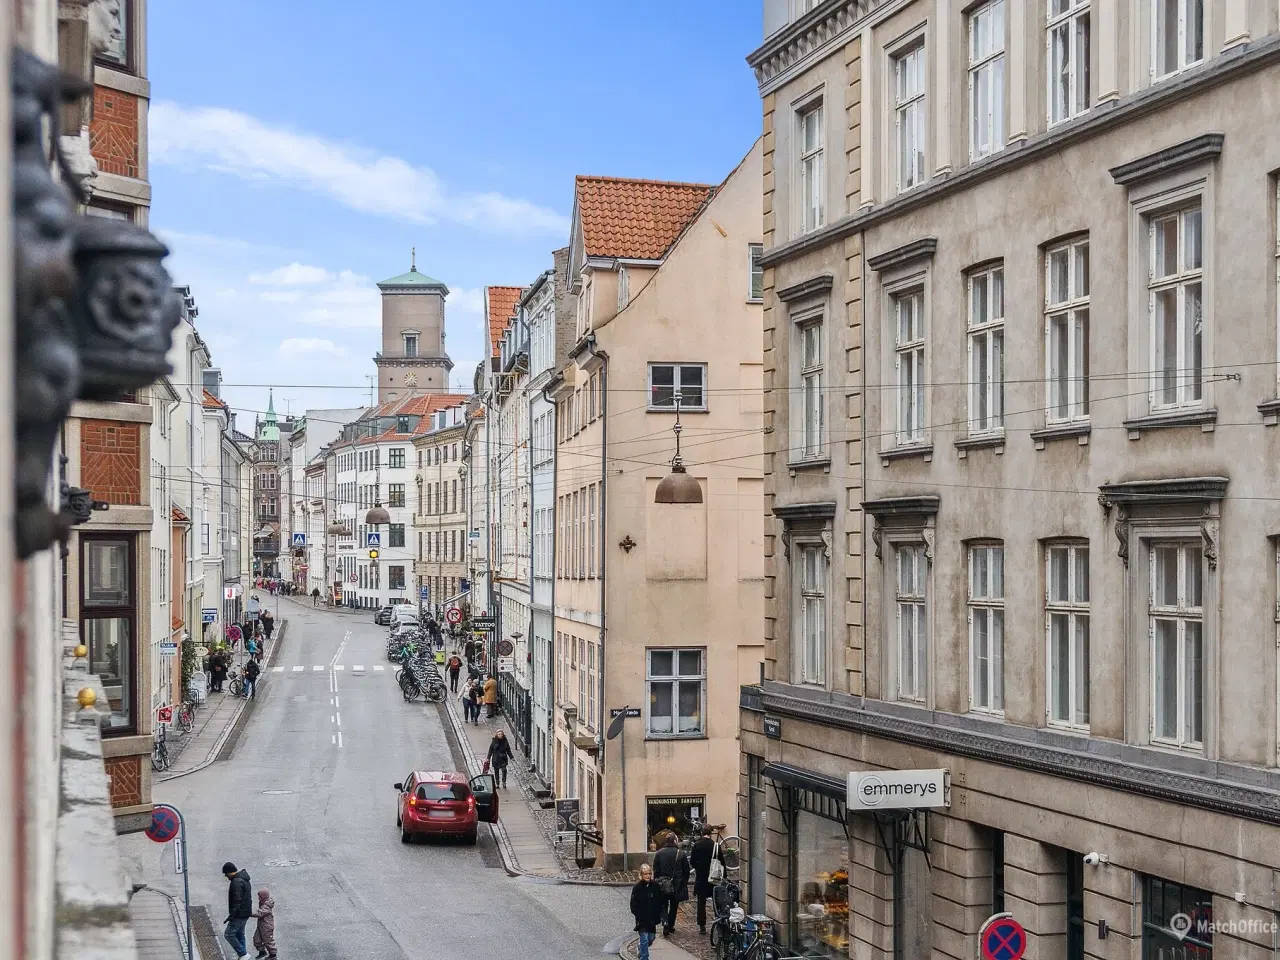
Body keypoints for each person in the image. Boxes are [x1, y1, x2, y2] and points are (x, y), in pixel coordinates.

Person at [652, 833, 691, 937]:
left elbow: (656, 869)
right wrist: (684, 882)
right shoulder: (680, 853)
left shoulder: (659, 853)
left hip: (663, 883)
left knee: (663, 904)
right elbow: (686, 870)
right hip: (676, 884)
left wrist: (656, 882)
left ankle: (664, 922)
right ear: (674, 841)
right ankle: (670, 925)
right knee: (674, 906)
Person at [689, 824, 725, 935]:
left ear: (702, 833)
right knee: (716, 901)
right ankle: (718, 922)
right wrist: (724, 877)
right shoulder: (716, 846)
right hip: (713, 878)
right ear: (710, 834)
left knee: (701, 902)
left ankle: (702, 926)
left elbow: (692, 861)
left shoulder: (697, 845)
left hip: (701, 877)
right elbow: (722, 862)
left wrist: (699, 868)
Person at [630, 863, 666, 960]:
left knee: (651, 938)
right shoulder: (637, 887)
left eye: (649, 874)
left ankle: (641, 948)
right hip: (642, 919)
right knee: (644, 939)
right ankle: (644, 957)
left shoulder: (655, 886)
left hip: (652, 919)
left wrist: (661, 915)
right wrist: (638, 914)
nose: (648, 876)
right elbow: (633, 904)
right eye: (645, 874)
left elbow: (661, 901)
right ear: (641, 875)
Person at [222, 862, 253, 960]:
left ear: (230, 872)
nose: (226, 876)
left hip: (239, 914)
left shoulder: (236, 882)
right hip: (245, 912)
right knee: (240, 934)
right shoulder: (244, 879)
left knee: (228, 934)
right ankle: (243, 956)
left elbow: (237, 900)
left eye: (226, 874)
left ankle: (243, 954)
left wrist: (232, 915)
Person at [251, 888, 276, 960]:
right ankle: (262, 951)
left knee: (268, 941)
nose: (258, 898)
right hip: (261, 925)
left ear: (263, 897)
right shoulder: (263, 902)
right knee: (257, 939)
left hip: (266, 926)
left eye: (260, 897)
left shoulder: (267, 905)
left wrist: (248, 913)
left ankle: (273, 955)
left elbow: (260, 913)